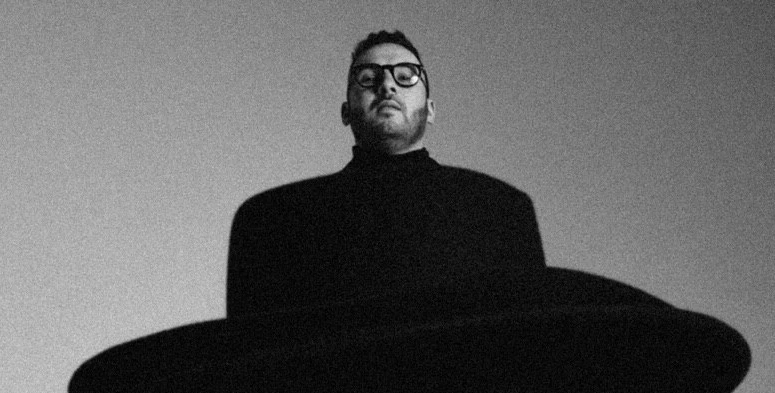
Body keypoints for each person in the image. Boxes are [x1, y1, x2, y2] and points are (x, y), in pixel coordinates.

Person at [225, 31, 546, 315]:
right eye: (367, 77)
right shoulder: (275, 221)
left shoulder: (500, 211)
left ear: (430, 110)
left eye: (406, 76)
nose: (387, 85)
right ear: (346, 112)